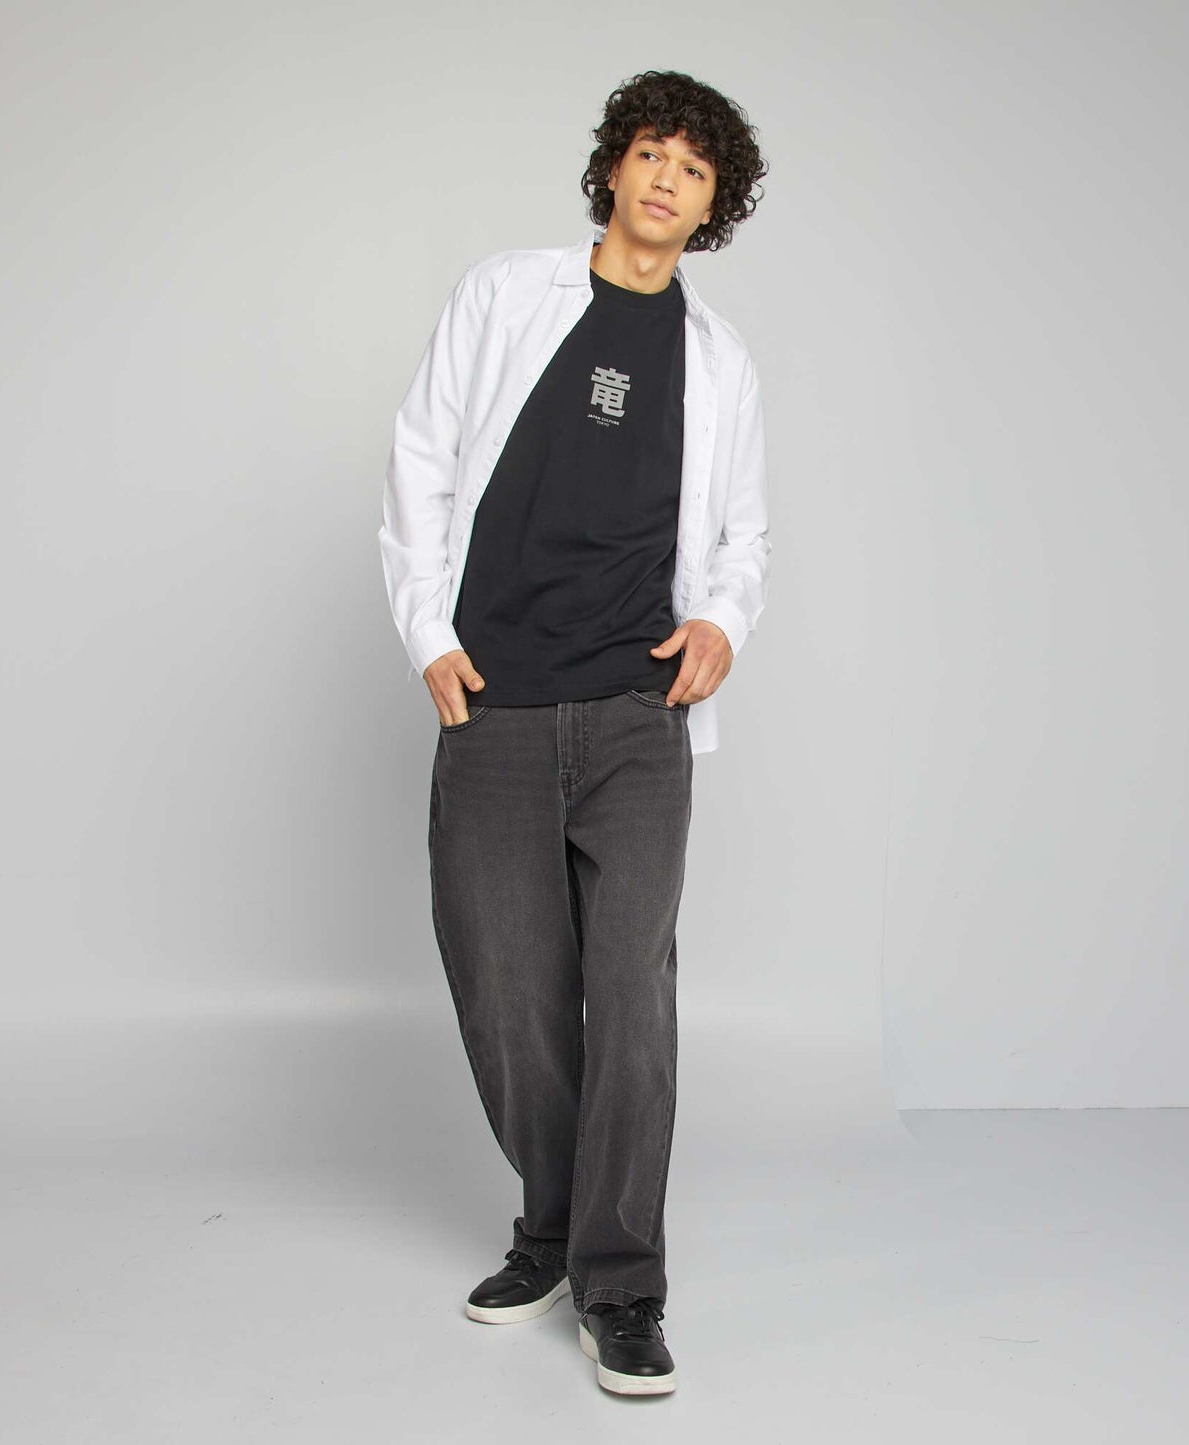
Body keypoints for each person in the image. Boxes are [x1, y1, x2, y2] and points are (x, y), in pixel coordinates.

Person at [377, 69, 771, 1397]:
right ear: (613, 167)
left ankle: (621, 1282)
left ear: (713, 208)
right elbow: (422, 456)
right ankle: (548, 1229)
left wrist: (722, 620)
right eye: (653, 153)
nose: (668, 179)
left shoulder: (719, 361)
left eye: (695, 170)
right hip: (492, 698)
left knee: (632, 998)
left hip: (635, 714)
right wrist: (427, 634)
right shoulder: (507, 295)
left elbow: (743, 535)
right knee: (507, 988)